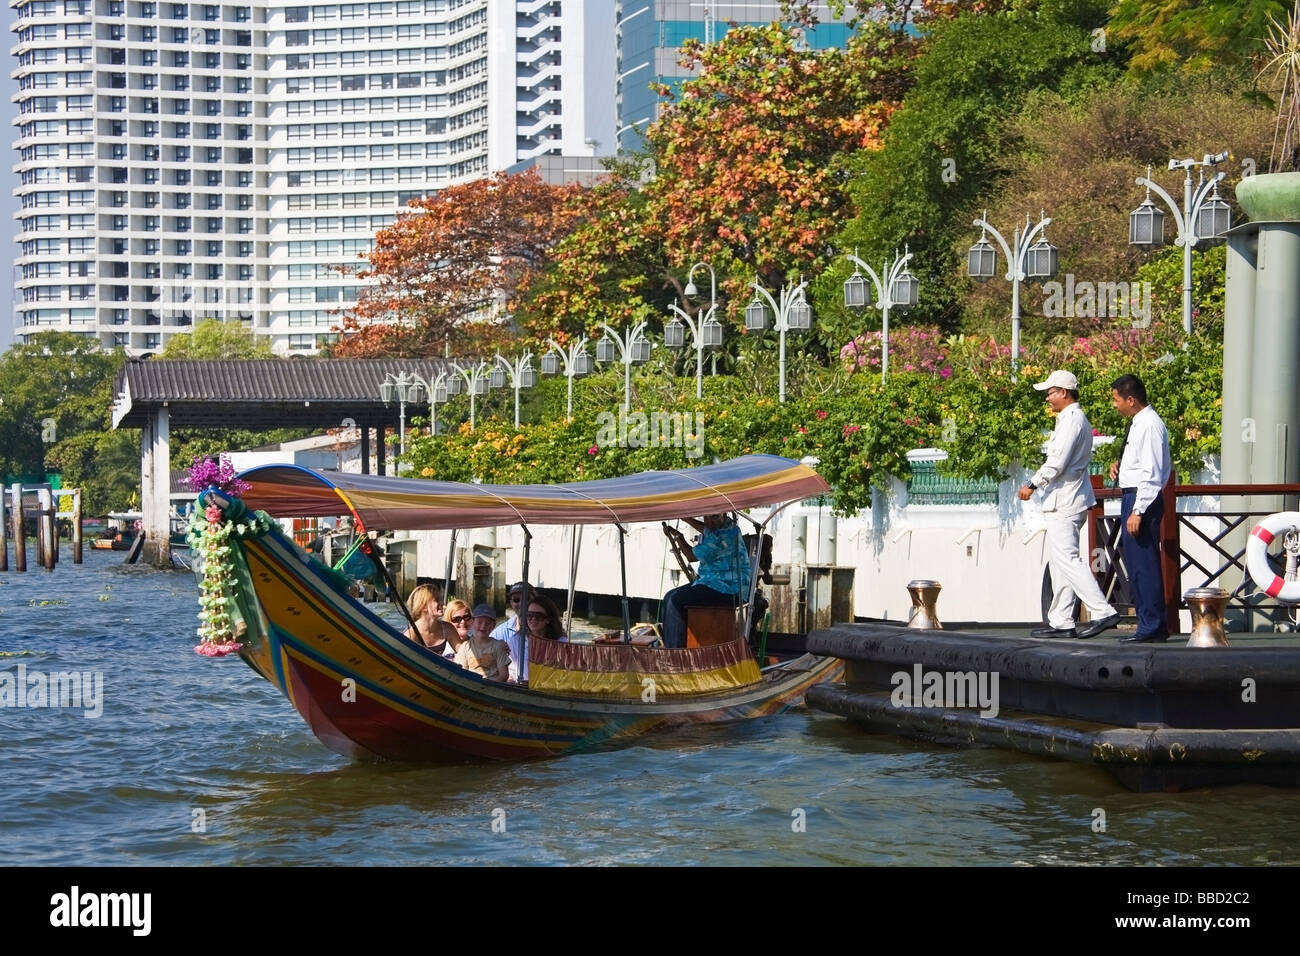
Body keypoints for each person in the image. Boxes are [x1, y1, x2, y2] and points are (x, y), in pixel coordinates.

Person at [1018, 369, 1120, 640]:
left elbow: (1057, 462)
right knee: (1060, 562)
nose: (1048, 398)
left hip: (1066, 499)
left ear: (1063, 392)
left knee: (1068, 560)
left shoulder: (1072, 420)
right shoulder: (1070, 419)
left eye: (1050, 393)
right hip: (1066, 498)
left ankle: (1102, 611)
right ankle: (1062, 620)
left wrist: (1032, 483)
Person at [1109, 373, 1172, 643]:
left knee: (1144, 564)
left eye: (1117, 400)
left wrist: (1139, 510)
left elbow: (1152, 472)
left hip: (1140, 499)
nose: (1115, 405)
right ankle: (1148, 623)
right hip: (1132, 495)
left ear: (1131, 400)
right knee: (1136, 564)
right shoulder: (1139, 423)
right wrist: (1120, 468)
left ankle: (1153, 625)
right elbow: (1139, 464)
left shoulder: (1149, 425)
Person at [660, 513, 751, 648]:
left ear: (723, 514)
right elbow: (706, 528)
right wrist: (687, 518)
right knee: (668, 596)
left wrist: (678, 536)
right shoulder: (727, 524)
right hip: (713, 582)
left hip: (729, 589)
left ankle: (676, 652)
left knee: (675, 601)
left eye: (713, 518)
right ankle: (674, 644)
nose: (710, 523)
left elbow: (691, 556)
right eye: (706, 517)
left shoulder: (723, 536)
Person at [455, 604, 511, 681]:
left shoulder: (498, 646)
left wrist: (488, 684)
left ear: (493, 625)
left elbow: (504, 675)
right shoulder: (465, 647)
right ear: (472, 623)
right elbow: (461, 673)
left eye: (487, 623)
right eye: (479, 622)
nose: (483, 626)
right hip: (471, 685)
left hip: (493, 687)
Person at [403, 583, 457, 657]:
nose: (442, 603)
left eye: (441, 599)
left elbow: (463, 654)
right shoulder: (411, 634)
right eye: (437, 600)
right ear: (423, 606)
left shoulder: (447, 629)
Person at [492, 581, 530, 683]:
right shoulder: (501, 631)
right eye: (517, 600)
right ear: (511, 603)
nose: (521, 603)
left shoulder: (548, 630)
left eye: (527, 599)